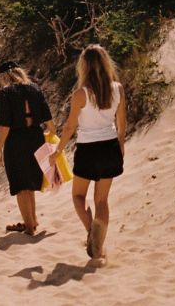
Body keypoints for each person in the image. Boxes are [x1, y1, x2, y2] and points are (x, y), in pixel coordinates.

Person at [51, 44, 126, 259]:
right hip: (110, 146)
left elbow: (69, 127)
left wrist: (58, 150)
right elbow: (122, 123)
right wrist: (121, 146)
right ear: (105, 63)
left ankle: (90, 231)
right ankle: (99, 247)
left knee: (77, 196)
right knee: (102, 201)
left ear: (84, 67)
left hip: (88, 149)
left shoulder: (80, 94)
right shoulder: (118, 89)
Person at [0, 60, 56, 236]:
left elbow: (5, 125)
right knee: (30, 181)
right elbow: (48, 118)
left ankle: (29, 228)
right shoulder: (35, 89)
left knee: (20, 184)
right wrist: (52, 135)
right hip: (36, 137)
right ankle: (33, 220)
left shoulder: (6, 93)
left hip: (16, 140)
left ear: (4, 76)